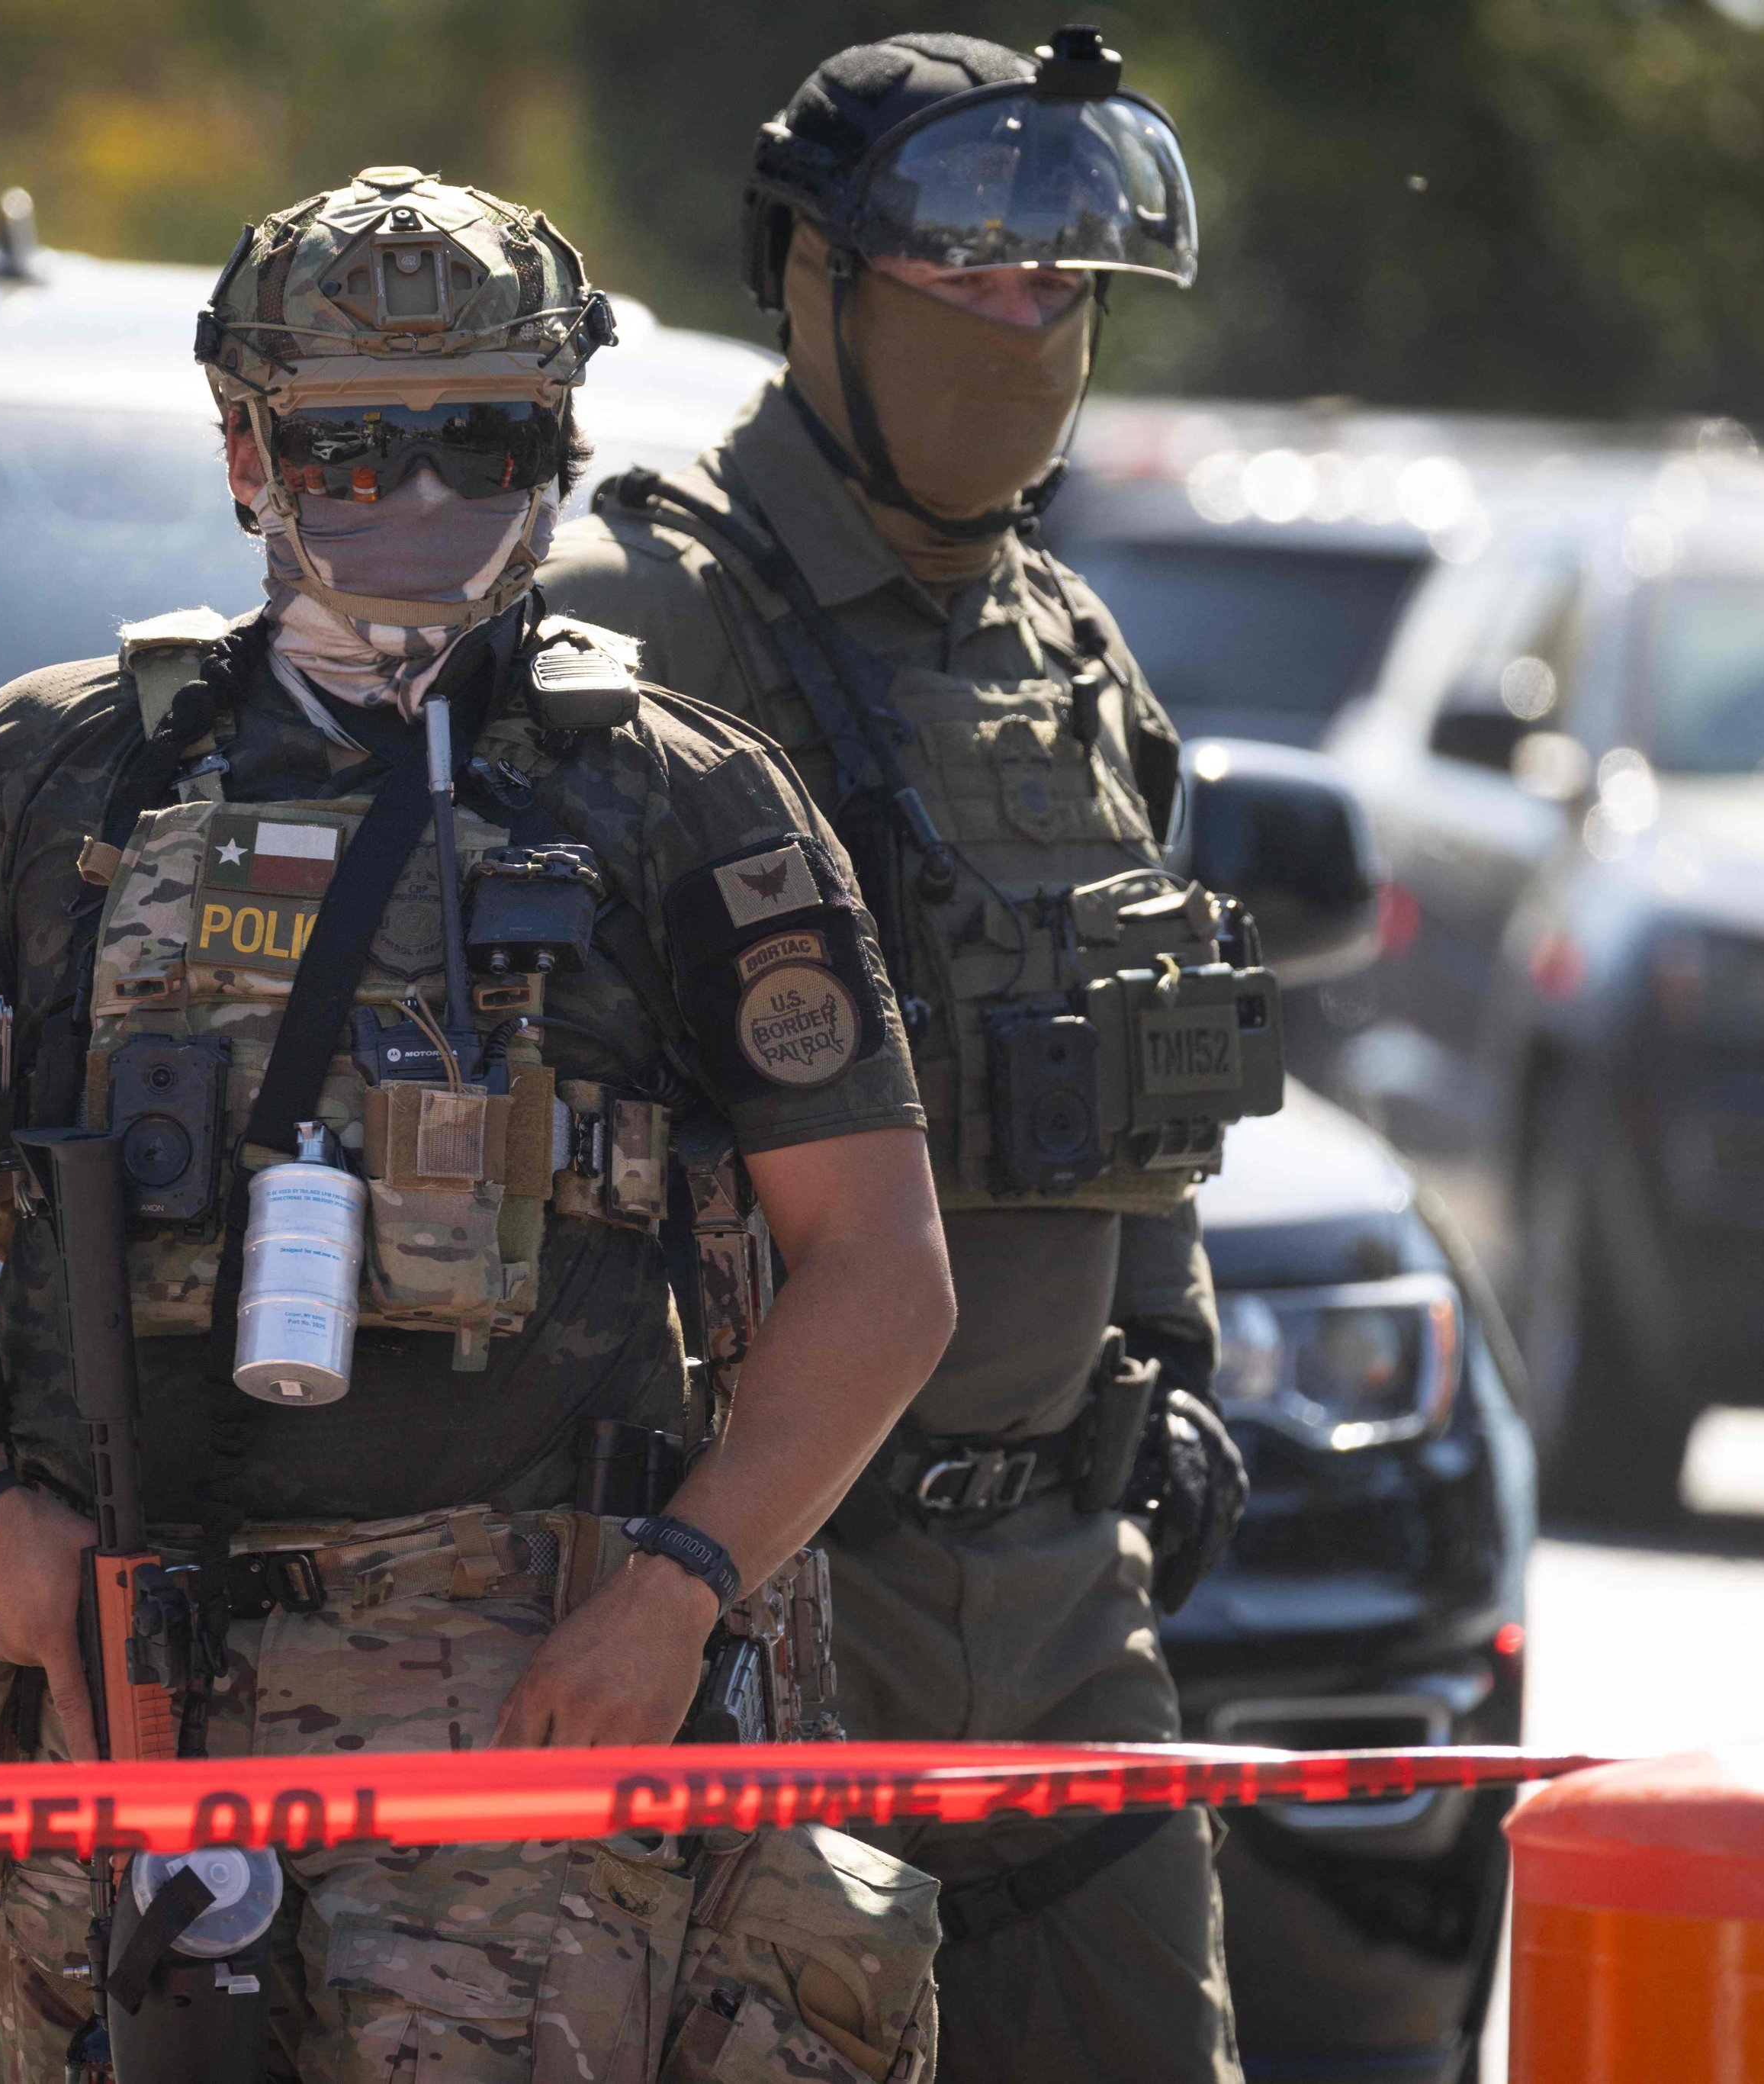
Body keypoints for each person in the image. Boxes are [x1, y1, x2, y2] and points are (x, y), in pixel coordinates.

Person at [0, 166, 959, 2084]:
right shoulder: (49, 772)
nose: (417, 506)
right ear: (244, 449)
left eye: (476, 444)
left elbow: (880, 1268)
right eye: (351, 452)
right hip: (106, 1676)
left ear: (560, 444)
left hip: (519, 1704)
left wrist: (678, 1591)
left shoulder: (678, 803)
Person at [541, 30, 1254, 2084]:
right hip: (762, 1591)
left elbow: (1143, 1042)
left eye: (1063, 282)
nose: (1025, 320)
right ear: (813, 276)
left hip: (1063, 1589)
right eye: (967, 269)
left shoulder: (1066, 640)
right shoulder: (645, 617)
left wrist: (1172, 1352)